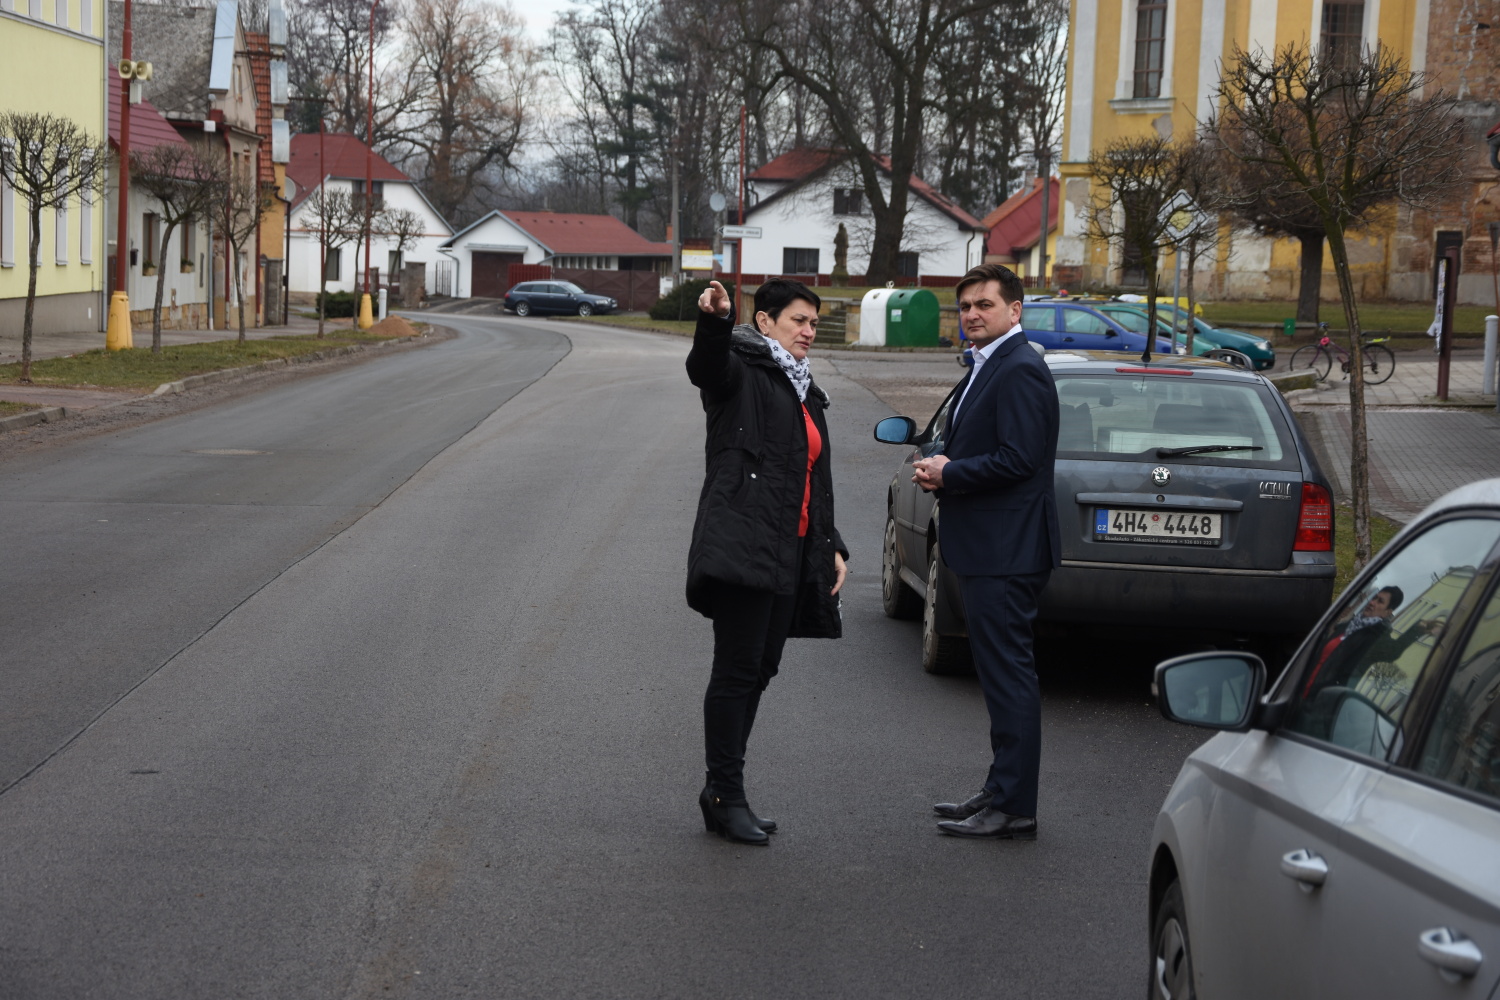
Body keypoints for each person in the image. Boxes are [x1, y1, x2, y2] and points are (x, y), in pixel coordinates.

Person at [684, 277, 849, 846]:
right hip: (744, 542)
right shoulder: (741, 368)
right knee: (736, 671)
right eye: (799, 321)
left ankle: (720, 790)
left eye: (813, 323)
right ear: (766, 323)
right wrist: (714, 322)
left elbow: (805, 477)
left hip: (791, 547)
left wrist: (833, 545)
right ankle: (726, 792)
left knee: (762, 668)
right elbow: (706, 368)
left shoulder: (803, 389)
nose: (808, 331)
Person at [912, 263, 1060, 841]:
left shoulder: (1020, 368)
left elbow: (1021, 460)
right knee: (998, 677)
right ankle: (1000, 790)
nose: (972, 314)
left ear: (1015, 310)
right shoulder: (989, 363)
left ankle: (1015, 805)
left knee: (1009, 679)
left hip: (1007, 551)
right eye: (966, 305)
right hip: (990, 547)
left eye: (985, 305)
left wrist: (951, 473)